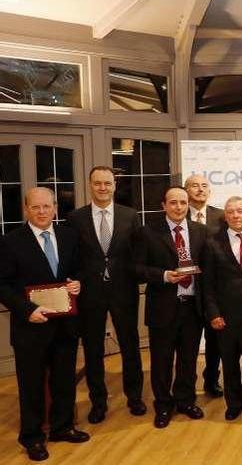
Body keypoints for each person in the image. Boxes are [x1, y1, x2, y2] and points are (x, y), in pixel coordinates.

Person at [0, 187, 88, 461]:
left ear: (55, 209)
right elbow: (2, 286)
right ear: (26, 209)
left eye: (46, 207)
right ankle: (32, 437)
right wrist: (27, 311)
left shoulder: (69, 236)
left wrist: (77, 281)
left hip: (65, 325)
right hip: (31, 327)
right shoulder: (10, 242)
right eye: (35, 207)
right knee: (32, 386)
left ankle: (62, 427)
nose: (41, 212)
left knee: (64, 381)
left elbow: (79, 269)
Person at [66, 166, 146, 424]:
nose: (103, 188)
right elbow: (72, 257)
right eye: (97, 183)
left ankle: (135, 398)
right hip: (90, 294)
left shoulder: (130, 216)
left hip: (124, 291)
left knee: (130, 346)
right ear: (90, 185)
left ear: (114, 185)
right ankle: (98, 402)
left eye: (107, 183)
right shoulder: (75, 218)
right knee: (93, 349)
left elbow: (138, 255)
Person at [134, 186, 208, 429]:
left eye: (183, 203)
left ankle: (185, 401)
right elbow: (135, 268)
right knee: (161, 361)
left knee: (188, 360)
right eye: (173, 202)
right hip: (163, 307)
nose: (178, 207)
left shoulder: (200, 231)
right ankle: (163, 404)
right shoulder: (148, 233)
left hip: (192, 307)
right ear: (164, 205)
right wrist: (164, 275)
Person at [202, 196, 242, 421]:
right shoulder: (212, 243)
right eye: (231, 212)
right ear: (225, 216)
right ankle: (234, 403)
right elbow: (207, 284)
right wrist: (214, 313)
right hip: (225, 316)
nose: (236, 215)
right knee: (229, 362)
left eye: (240, 211)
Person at [184, 174, 224, 398]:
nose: (200, 190)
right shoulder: (178, 215)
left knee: (214, 341)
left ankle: (212, 380)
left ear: (209, 191)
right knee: (188, 341)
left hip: (213, 289)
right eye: (194, 186)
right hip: (186, 288)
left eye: (204, 186)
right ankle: (187, 385)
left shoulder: (221, 217)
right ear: (186, 190)